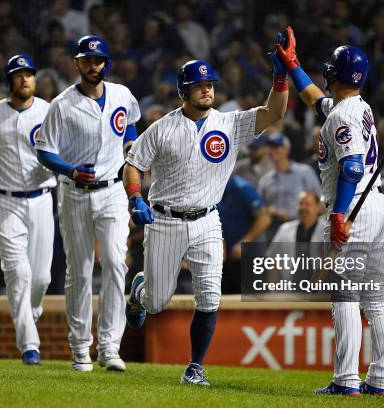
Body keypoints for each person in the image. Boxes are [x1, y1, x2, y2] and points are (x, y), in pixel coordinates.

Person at [123, 26, 292, 385]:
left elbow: (273, 113)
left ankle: (195, 367)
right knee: (155, 303)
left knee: (210, 295)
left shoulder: (229, 124)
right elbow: (133, 163)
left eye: (210, 84)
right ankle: (140, 290)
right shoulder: (162, 127)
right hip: (165, 220)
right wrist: (136, 197)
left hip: (207, 221)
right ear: (184, 91)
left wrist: (281, 76)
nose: (206, 89)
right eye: (199, 85)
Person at [288, 28, 384, 395]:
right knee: (376, 298)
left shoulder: (342, 117)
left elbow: (350, 167)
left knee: (346, 296)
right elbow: (316, 101)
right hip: (378, 206)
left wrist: (337, 217)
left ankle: (346, 379)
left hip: (353, 210)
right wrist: (292, 66)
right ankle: (380, 380)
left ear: (335, 73)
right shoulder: (356, 106)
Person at [35, 35, 140, 373]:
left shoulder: (122, 94)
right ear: (76, 63)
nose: (93, 66)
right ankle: (80, 348)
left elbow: (130, 125)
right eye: (87, 61)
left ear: (105, 63)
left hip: (112, 191)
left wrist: (131, 150)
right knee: (79, 271)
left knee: (114, 263)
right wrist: (69, 170)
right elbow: (44, 150)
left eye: (98, 61)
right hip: (74, 192)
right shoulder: (61, 104)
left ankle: (109, 348)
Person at [0, 54, 56, 365]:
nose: (25, 79)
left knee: (41, 279)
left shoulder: (49, 111)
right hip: (4, 201)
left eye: (29, 74)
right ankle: (29, 345)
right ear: (9, 81)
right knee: (18, 273)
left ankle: (29, 315)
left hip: (43, 199)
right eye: (18, 75)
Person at [258, 132, 321, 241]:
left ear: (287, 150)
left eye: (277, 147)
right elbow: (259, 209)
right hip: (274, 234)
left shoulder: (304, 172)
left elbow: (319, 202)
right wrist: (271, 211)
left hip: (302, 231)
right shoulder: (265, 179)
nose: (273, 151)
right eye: (270, 147)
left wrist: (294, 214)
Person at [217, 174, 271, 293]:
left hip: (249, 258)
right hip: (226, 261)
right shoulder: (212, 189)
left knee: (253, 304)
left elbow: (265, 218)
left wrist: (244, 241)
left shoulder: (242, 188)